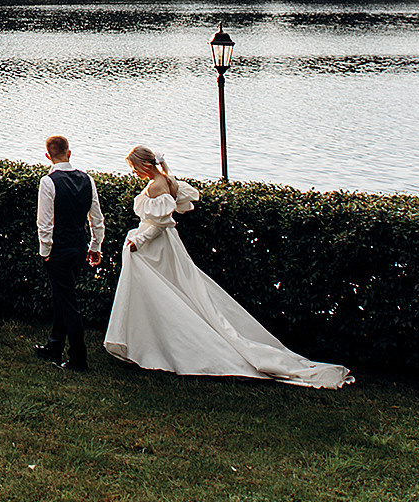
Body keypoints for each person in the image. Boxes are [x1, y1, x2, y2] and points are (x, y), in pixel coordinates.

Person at [103, 145, 351, 388]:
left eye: (134, 168)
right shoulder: (168, 180)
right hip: (166, 246)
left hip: (157, 248)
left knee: (168, 294)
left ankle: (167, 344)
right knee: (178, 291)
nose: (133, 172)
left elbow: (159, 224)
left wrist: (138, 240)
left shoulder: (157, 186)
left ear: (145, 165)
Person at [35, 135, 104, 372]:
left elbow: (44, 223)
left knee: (68, 303)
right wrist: (95, 246)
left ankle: (78, 358)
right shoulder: (88, 180)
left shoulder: (48, 181)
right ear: (69, 153)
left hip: (59, 251)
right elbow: (97, 218)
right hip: (78, 247)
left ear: (47, 156)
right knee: (61, 297)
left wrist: (45, 252)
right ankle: (54, 345)